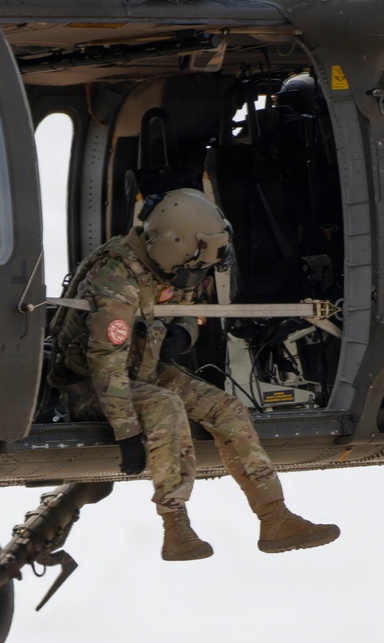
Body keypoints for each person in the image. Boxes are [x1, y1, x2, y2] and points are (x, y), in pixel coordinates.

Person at [49, 188, 340, 561]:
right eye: (194, 268)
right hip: (88, 384)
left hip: (142, 369)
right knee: (166, 406)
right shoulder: (116, 278)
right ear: (173, 247)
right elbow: (106, 363)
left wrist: (183, 331)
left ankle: (275, 517)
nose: (197, 274)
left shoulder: (167, 261)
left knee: (228, 409)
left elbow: (186, 303)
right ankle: (175, 527)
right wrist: (127, 434)